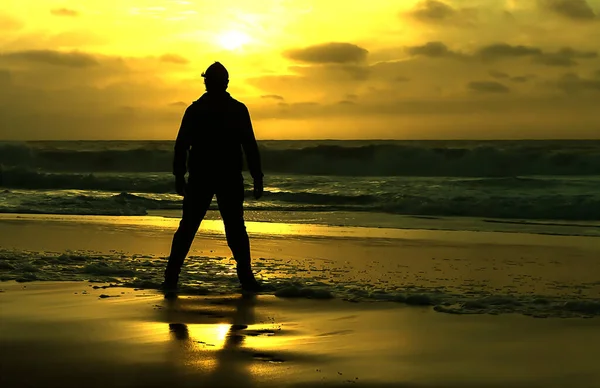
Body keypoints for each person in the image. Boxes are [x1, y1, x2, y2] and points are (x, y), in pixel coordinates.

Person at [163, 61, 264, 294]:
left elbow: (181, 146)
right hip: (222, 176)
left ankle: (171, 276)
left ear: (207, 82)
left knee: (190, 227)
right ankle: (246, 278)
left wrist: (179, 175)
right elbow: (249, 146)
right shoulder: (235, 109)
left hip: (205, 175)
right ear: (225, 83)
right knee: (233, 227)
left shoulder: (197, 110)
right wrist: (257, 176)